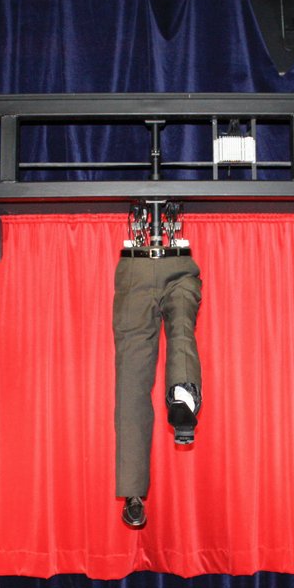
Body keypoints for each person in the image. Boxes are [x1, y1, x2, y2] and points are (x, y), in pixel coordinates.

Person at [113, 201, 203, 528]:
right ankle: (183, 395)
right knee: (181, 332)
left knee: (131, 378)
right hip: (177, 263)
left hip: (135, 268)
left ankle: (133, 493)